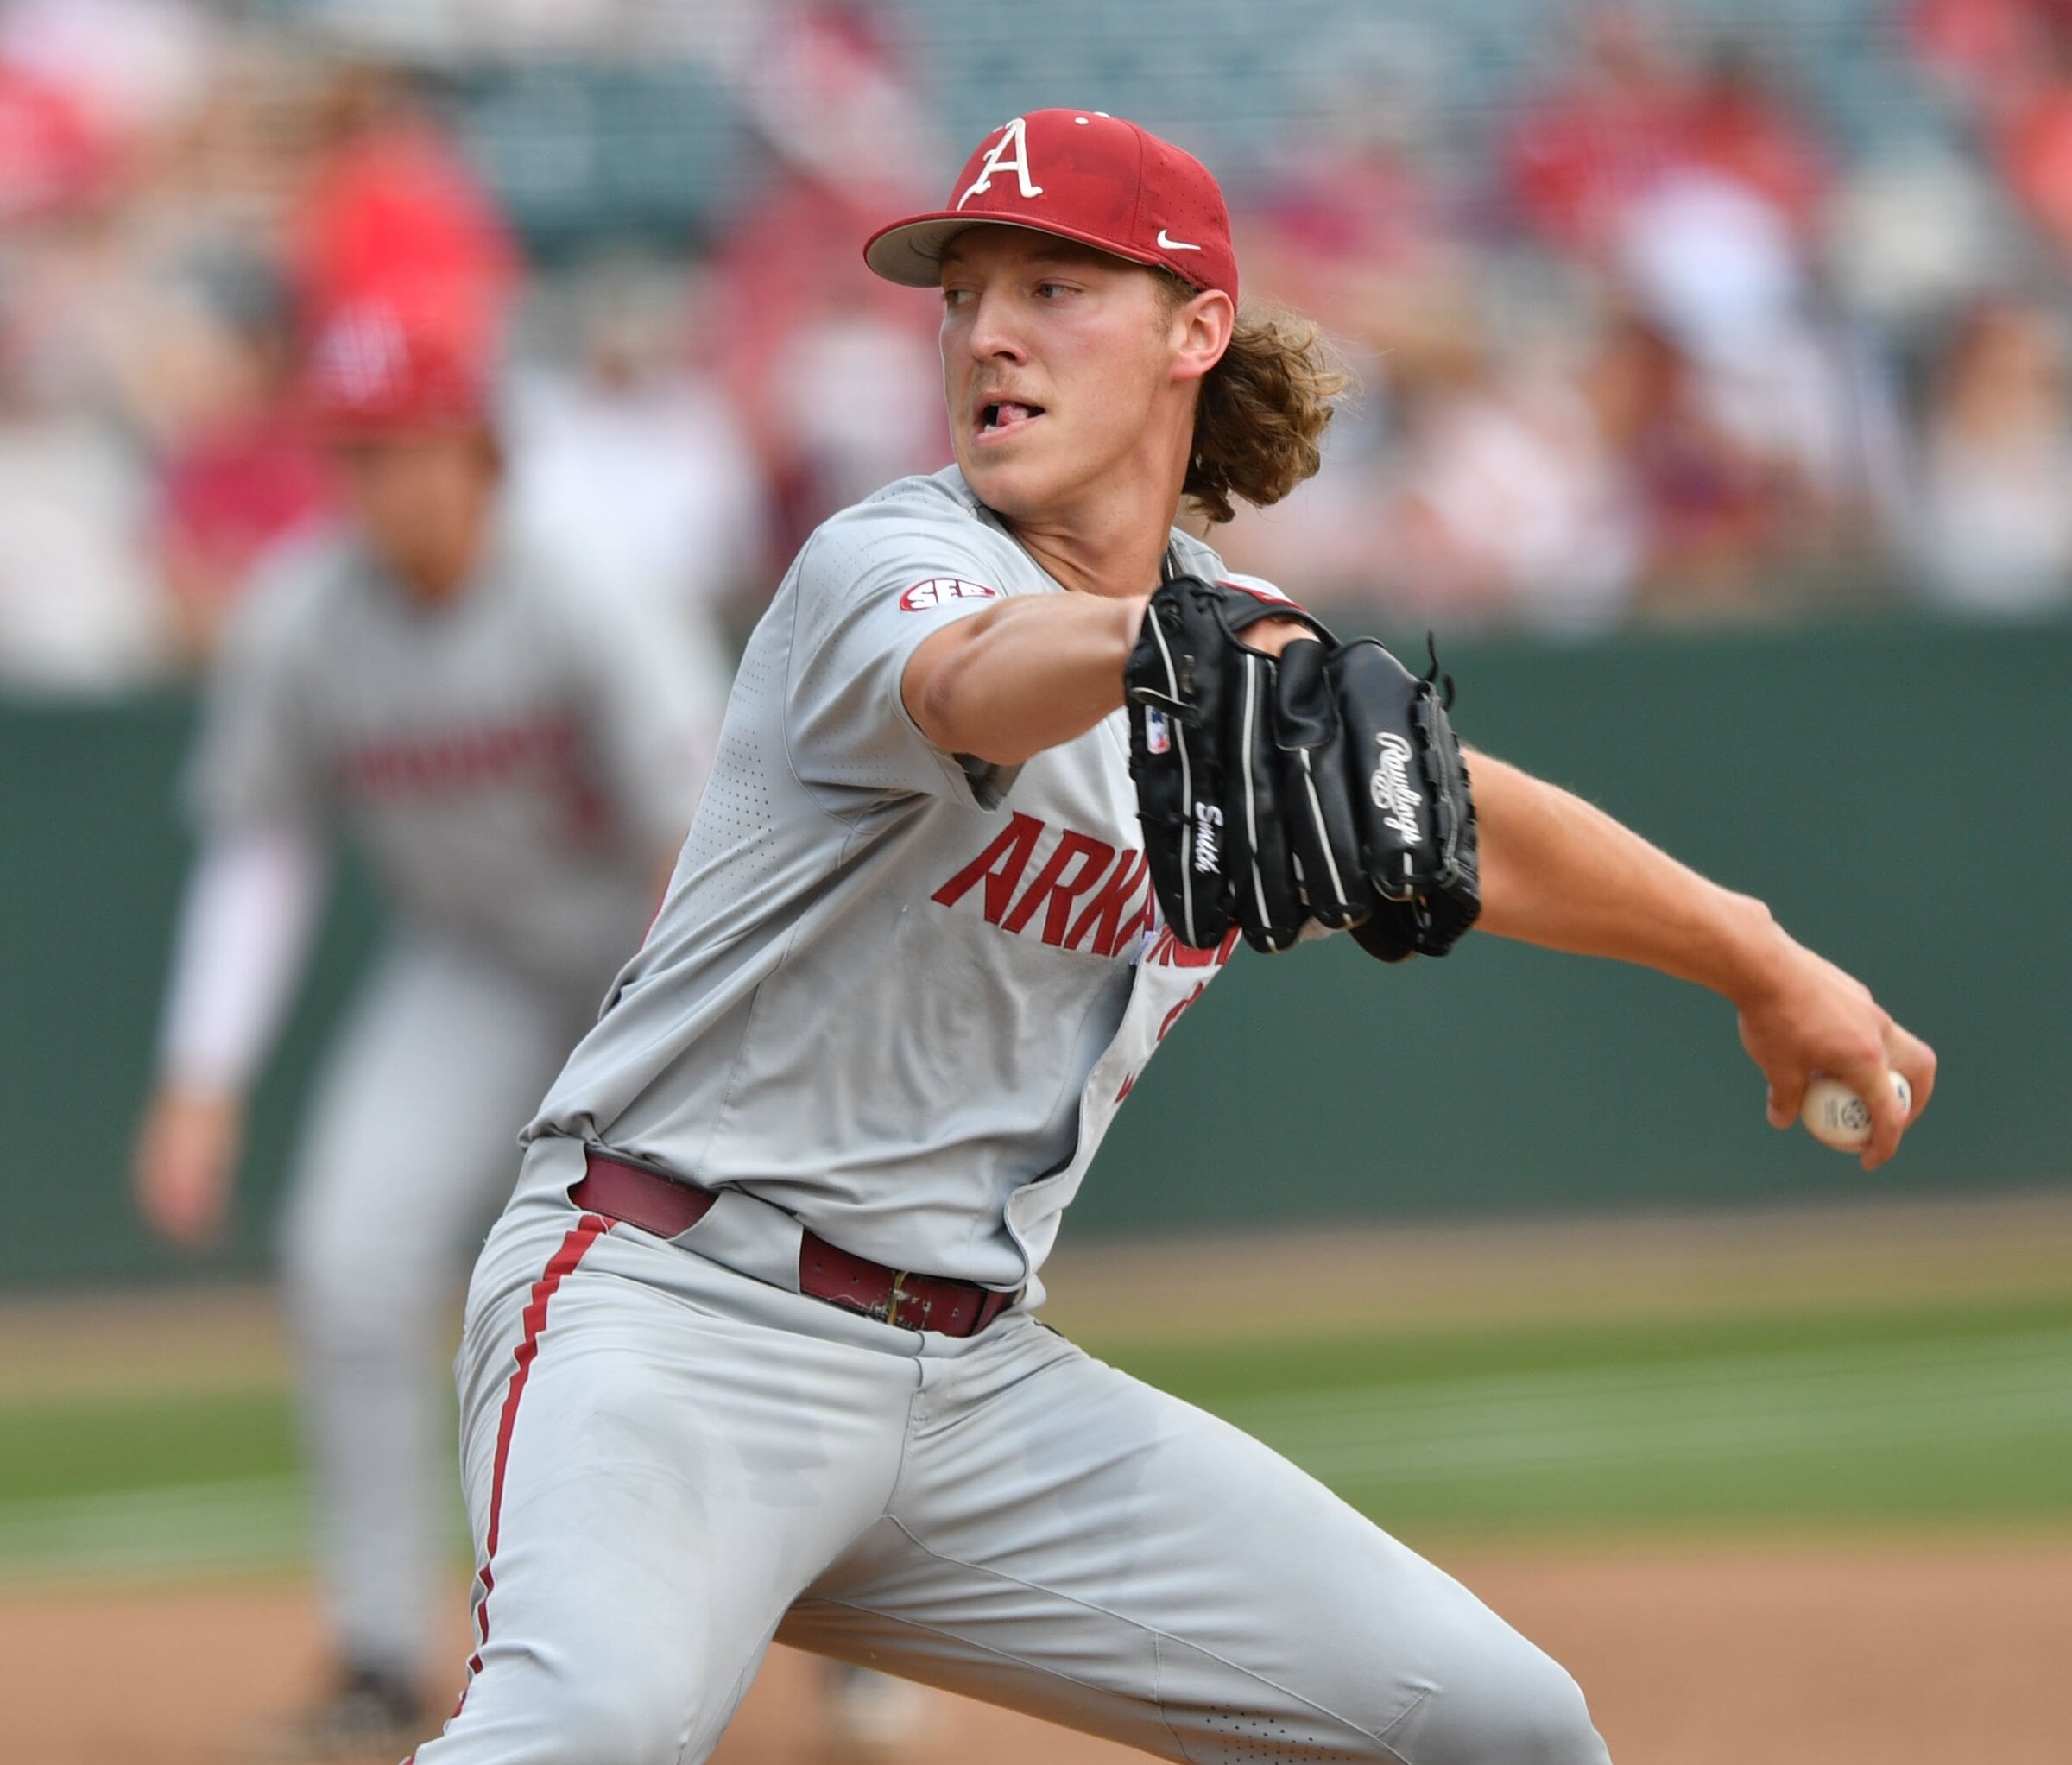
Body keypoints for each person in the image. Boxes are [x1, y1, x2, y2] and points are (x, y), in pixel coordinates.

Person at [409, 111, 1936, 1765]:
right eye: (965, 293)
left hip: (974, 1391)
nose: (988, 330)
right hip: (670, 1315)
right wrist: (1189, 644)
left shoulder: (1223, 651)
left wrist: (1761, 960)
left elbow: (1472, 825)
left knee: (1503, 1732)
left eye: (1056, 287)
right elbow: (973, 677)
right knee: (583, 1744)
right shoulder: (892, 565)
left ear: (1194, 332)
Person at [132, 295, 725, 1756]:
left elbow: (702, 835)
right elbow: (263, 851)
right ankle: (378, 1656)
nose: (376, 481)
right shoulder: (302, 613)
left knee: (737, 1292)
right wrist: (200, 1080)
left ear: (477, 449)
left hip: (660, 969)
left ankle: (844, 1649)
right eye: (353, 451)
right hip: (469, 964)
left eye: (404, 445)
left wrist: (664, 1058)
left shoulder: (587, 583)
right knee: (347, 1253)